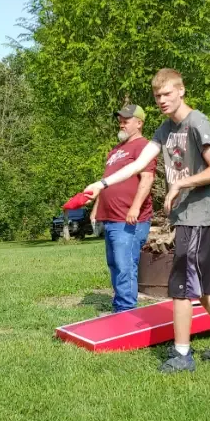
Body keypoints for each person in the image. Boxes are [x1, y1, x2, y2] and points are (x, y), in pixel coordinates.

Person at [84, 68, 210, 373]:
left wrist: (180, 184)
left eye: (166, 93)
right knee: (201, 288)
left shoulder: (197, 123)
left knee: (182, 287)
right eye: (157, 95)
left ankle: (182, 355)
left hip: (199, 216)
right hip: (186, 217)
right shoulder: (164, 129)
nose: (161, 100)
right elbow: (137, 163)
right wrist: (102, 184)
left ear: (181, 91)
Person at [89, 103, 156, 313]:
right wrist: (96, 208)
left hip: (129, 218)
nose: (121, 124)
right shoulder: (116, 151)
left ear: (139, 123)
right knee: (115, 263)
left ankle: (126, 311)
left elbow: (147, 178)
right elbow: (107, 181)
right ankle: (120, 305)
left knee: (125, 264)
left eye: (126, 121)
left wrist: (135, 208)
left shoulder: (143, 146)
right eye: (120, 121)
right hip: (111, 217)